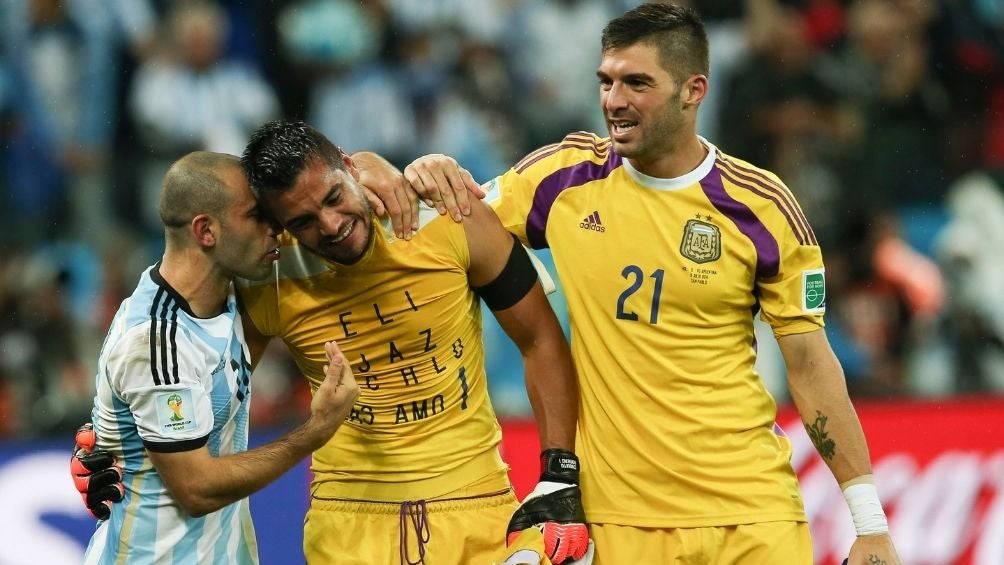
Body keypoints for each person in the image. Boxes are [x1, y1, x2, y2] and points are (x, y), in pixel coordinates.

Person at [403, 4, 902, 564]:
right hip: (623, 524)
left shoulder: (761, 207)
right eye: (607, 81)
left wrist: (870, 524)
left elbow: (811, 366)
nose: (614, 101)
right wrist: (409, 175)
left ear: (693, 91)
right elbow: (443, 222)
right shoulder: (562, 178)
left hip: (752, 515)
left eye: (637, 83)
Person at [232, 120, 587, 564]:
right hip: (346, 528)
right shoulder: (270, 273)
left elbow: (540, 340)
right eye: (303, 221)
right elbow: (219, 395)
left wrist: (559, 473)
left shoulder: (448, 215)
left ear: (348, 166)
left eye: (334, 197)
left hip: (475, 512)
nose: (331, 224)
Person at [78, 151, 360, 564]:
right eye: (256, 215)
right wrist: (316, 430)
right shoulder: (158, 341)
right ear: (206, 231)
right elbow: (197, 489)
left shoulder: (224, 295)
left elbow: (336, 175)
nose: (275, 228)